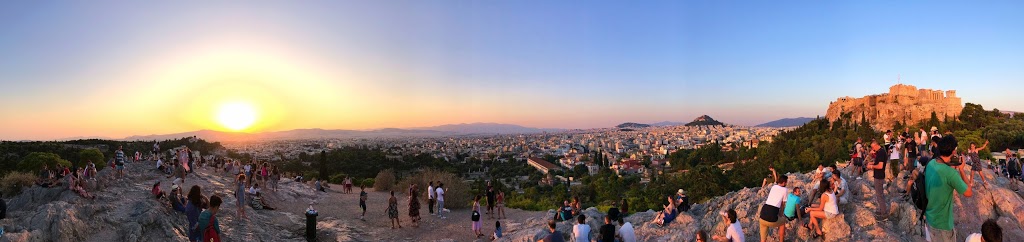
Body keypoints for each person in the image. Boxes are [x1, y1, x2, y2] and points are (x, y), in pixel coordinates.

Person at [926, 135, 974, 242]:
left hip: (930, 218)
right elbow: (969, 192)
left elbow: (943, 173)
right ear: (953, 151)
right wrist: (961, 170)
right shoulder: (951, 173)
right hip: (942, 225)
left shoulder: (931, 163)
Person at [758, 166, 788, 242]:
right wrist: (781, 215)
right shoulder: (785, 189)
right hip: (771, 216)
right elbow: (783, 204)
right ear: (784, 182)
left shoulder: (774, 187)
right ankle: (781, 241)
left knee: (763, 239)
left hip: (762, 215)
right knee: (783, 222)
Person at [867, 140, 890, 218]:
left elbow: (880, 166)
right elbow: (879, 163)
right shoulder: (881, 151)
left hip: (879, 176)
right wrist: (873, 163)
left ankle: (884, 213)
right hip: (879, 175)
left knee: (879, 194)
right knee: (880, 194)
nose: (873, 149)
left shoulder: (880, 153)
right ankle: (881, 210)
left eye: (873, 147)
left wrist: (871, 167)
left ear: (876, 145)